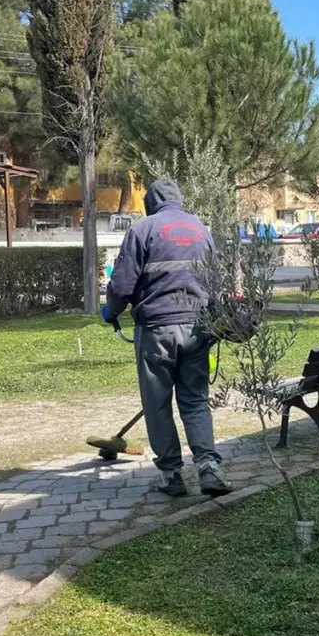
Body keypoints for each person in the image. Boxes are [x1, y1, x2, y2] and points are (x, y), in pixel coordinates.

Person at [103, 180, 232, 499]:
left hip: (156, 330)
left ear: (150, 203)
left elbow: (122, 285)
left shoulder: (142, 230)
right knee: (195, 400)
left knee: (157, 404)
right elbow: (216, 282)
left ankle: (172, 474)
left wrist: (111, 310)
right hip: (197, 327)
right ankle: (208, 467)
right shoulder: (201, 230)